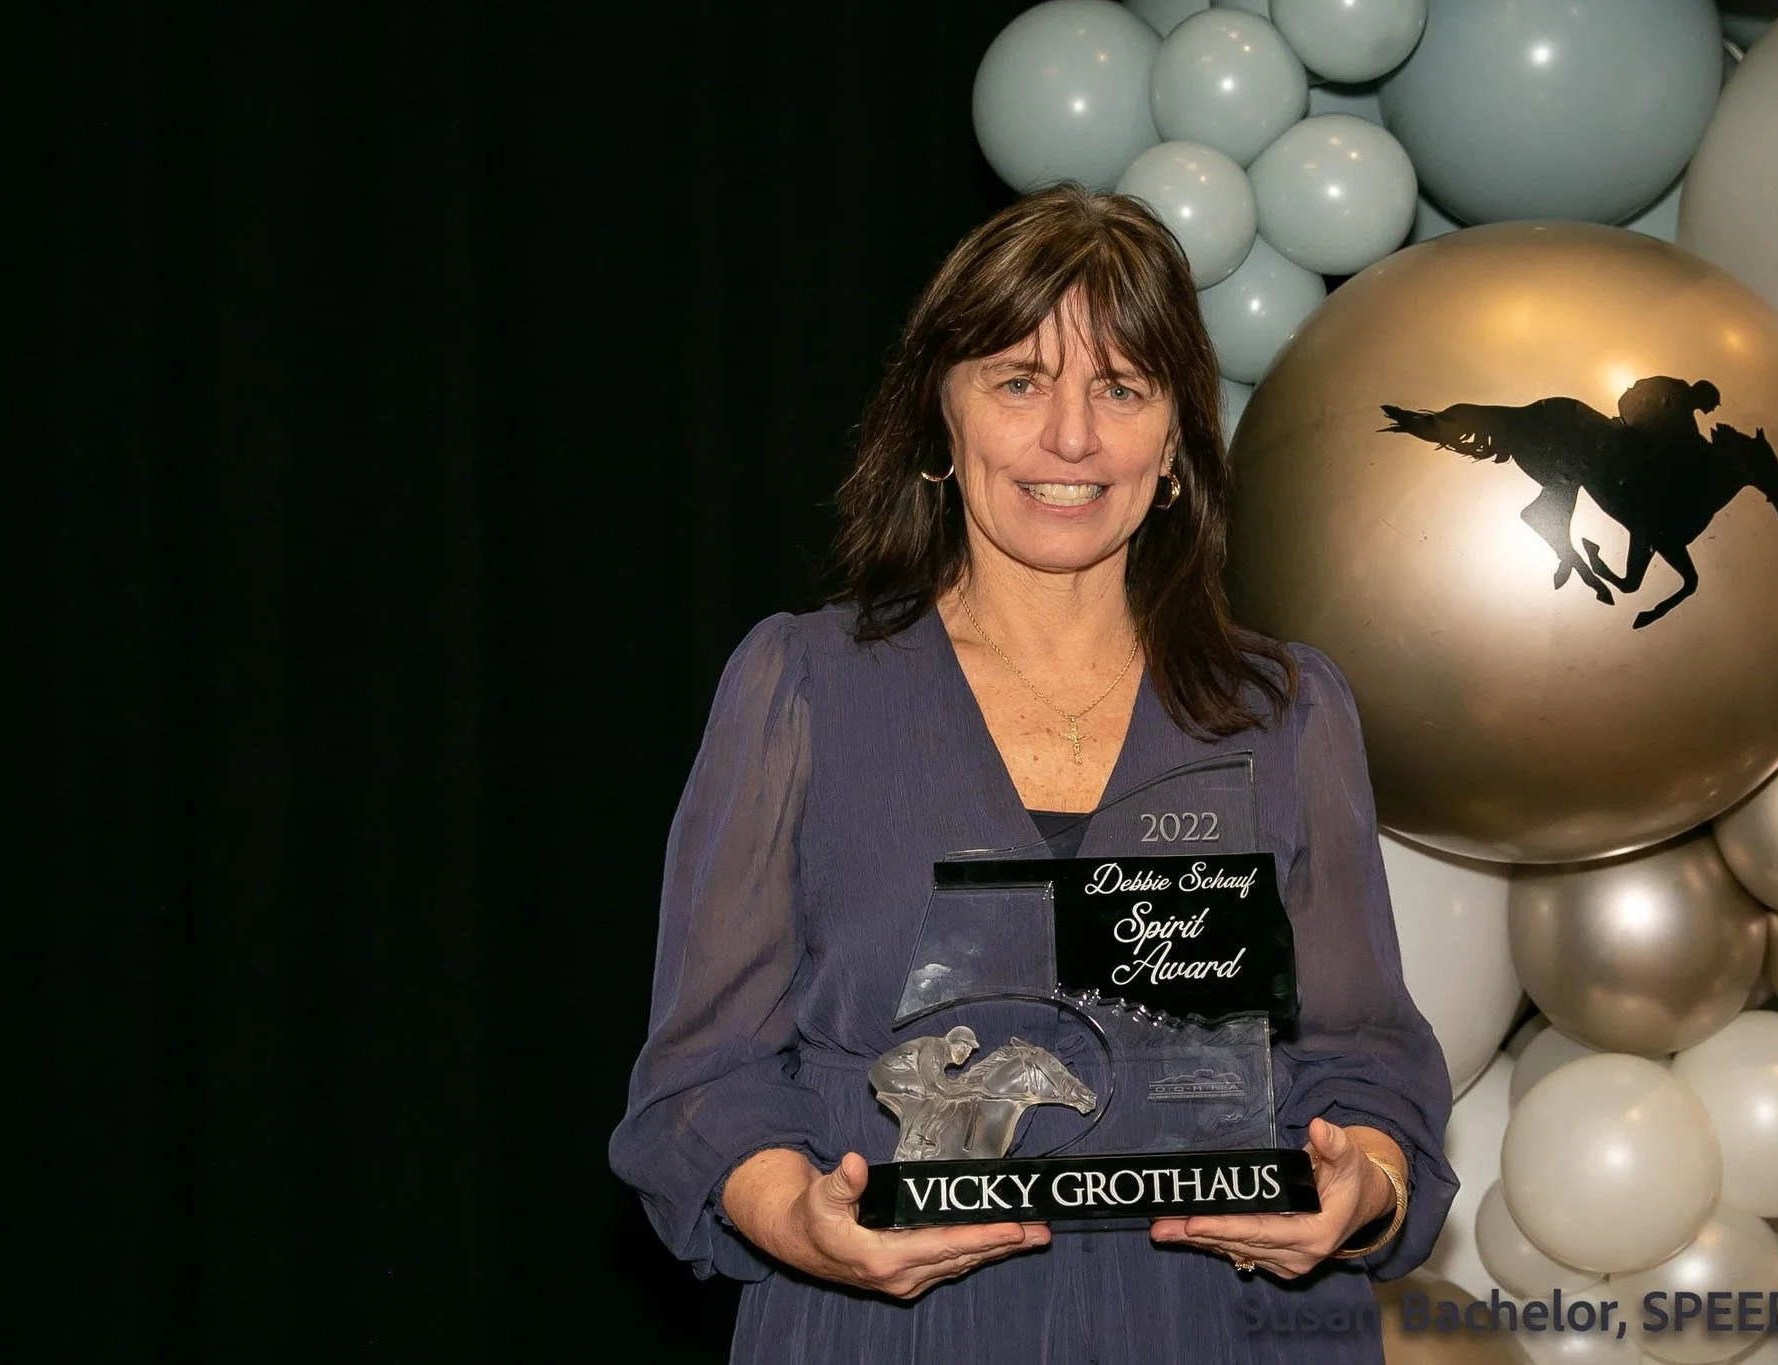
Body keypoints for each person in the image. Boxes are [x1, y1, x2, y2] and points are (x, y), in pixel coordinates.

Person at [609, 184, 1457, 1362]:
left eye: (1120, 387)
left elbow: (1367, 1062)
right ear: (936, 424)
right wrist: (799, 1221)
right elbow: (697, 1084)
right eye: (1019, 380)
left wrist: (1359, 1184)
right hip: (888, 1328)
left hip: (1215, 1325)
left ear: (1173, 442)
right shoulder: (803, 687)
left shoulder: (1284, 712)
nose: (1071, 438)